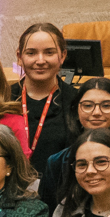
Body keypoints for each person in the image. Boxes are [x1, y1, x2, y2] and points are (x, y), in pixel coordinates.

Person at [38, 78, 110, 206]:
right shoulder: (57, 162)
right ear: (75, 111)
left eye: (106, 106)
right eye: (88, 106)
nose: (96, 113)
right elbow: (48, 214)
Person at [13, 23, 72, 168]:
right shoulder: (2, 99)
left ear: (62, 56)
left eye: (49, 53)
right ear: (20, 57)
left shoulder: (77, 102)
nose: (40, 61)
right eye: (31, 53)